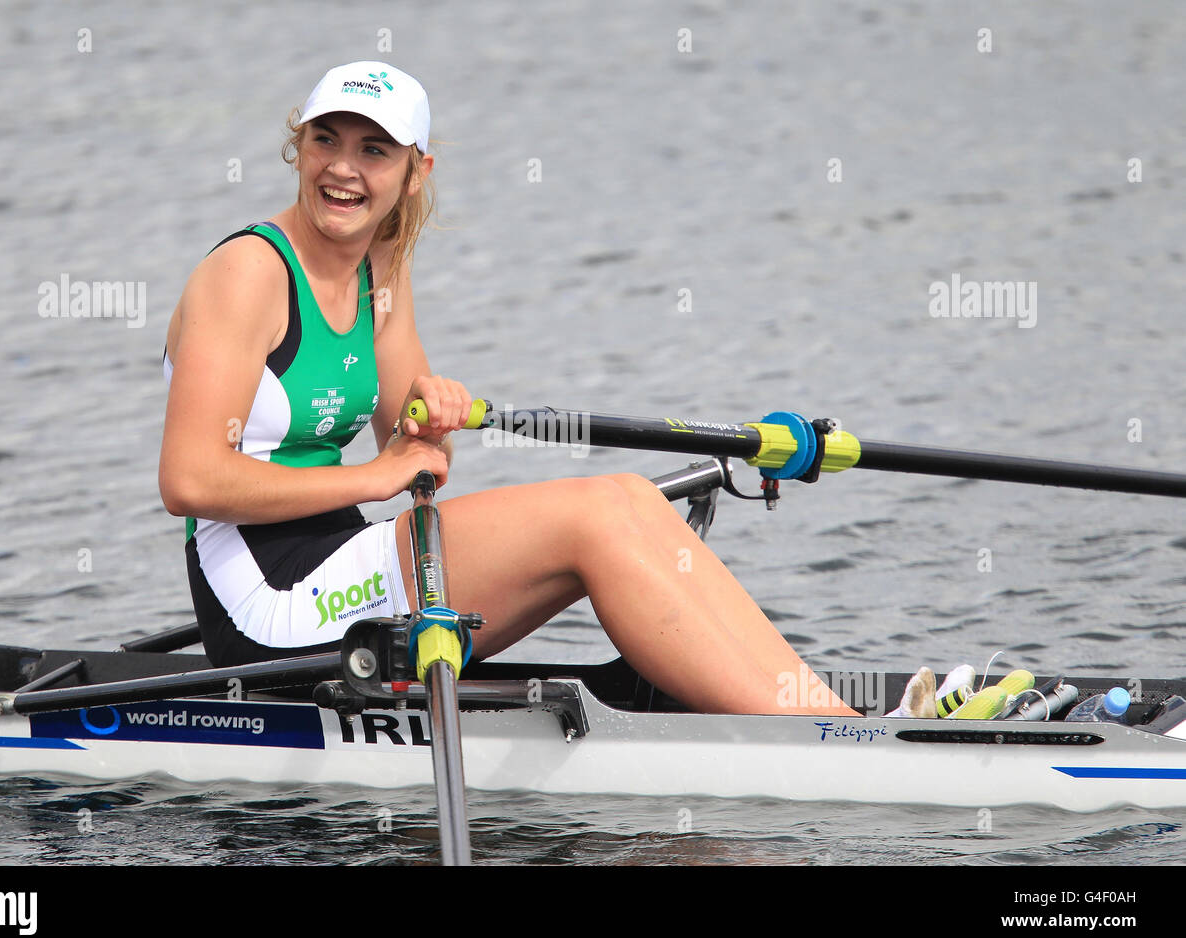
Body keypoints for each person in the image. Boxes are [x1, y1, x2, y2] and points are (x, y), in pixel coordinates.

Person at [159, 60, 856, 716]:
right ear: (299, 145)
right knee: (594, 517)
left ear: (414, 172)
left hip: (339, 559)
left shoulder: (382, 267)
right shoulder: (247, 273)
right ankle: (827, 739)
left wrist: (430, 421)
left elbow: (418, 457)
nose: (342, 167)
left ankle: (829, 717)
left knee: (630, 498)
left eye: (374, 150)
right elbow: (189, 479)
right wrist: (374, 477)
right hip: (260, 599)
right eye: (325, 140)